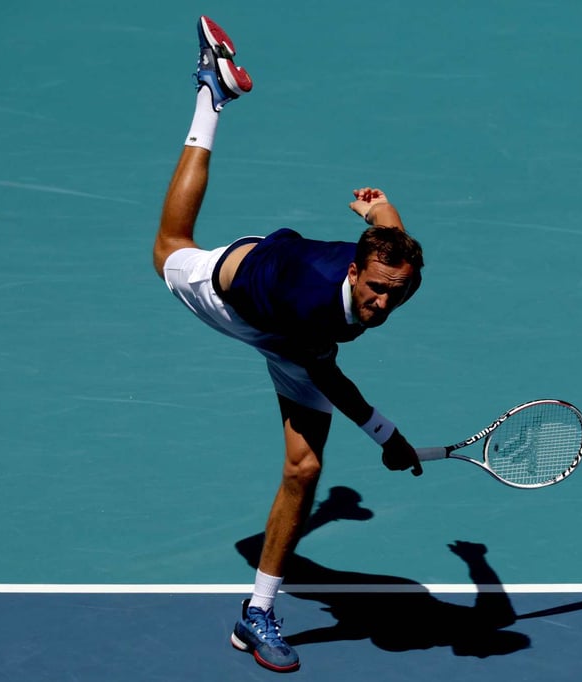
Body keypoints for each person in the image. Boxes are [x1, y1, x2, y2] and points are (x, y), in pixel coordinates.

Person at [152, 15, 425, 673]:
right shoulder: (315, 311)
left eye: (397, 293)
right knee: (170, 247)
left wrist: (379, 212)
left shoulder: (387, 264)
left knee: (303, 470)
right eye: (377, 290)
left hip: (292, 304)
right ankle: (209, 95)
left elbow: (393, 236)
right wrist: (388, 435)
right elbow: (332, 380)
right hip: (241, 297)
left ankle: (257, 616)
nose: (383, 305)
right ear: (355, 271)